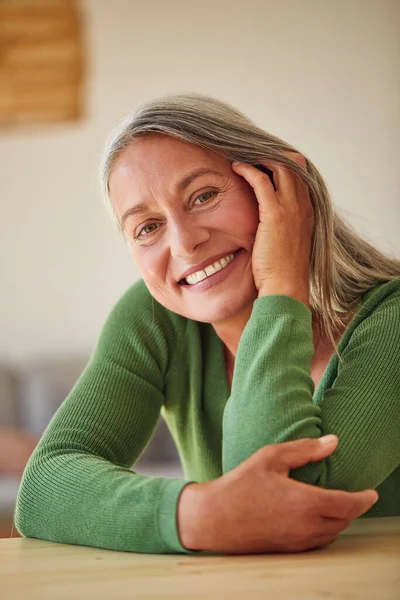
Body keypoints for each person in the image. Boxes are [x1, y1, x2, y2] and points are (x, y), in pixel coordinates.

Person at [15, 93, 400, 555]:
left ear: (279, 186)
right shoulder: (155, 316)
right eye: (147, 227)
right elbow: (42, 489)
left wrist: (281, 284)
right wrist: (197, 513)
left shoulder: (390, 318)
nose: (185, 243)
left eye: (203, 196)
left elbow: (286, 499)